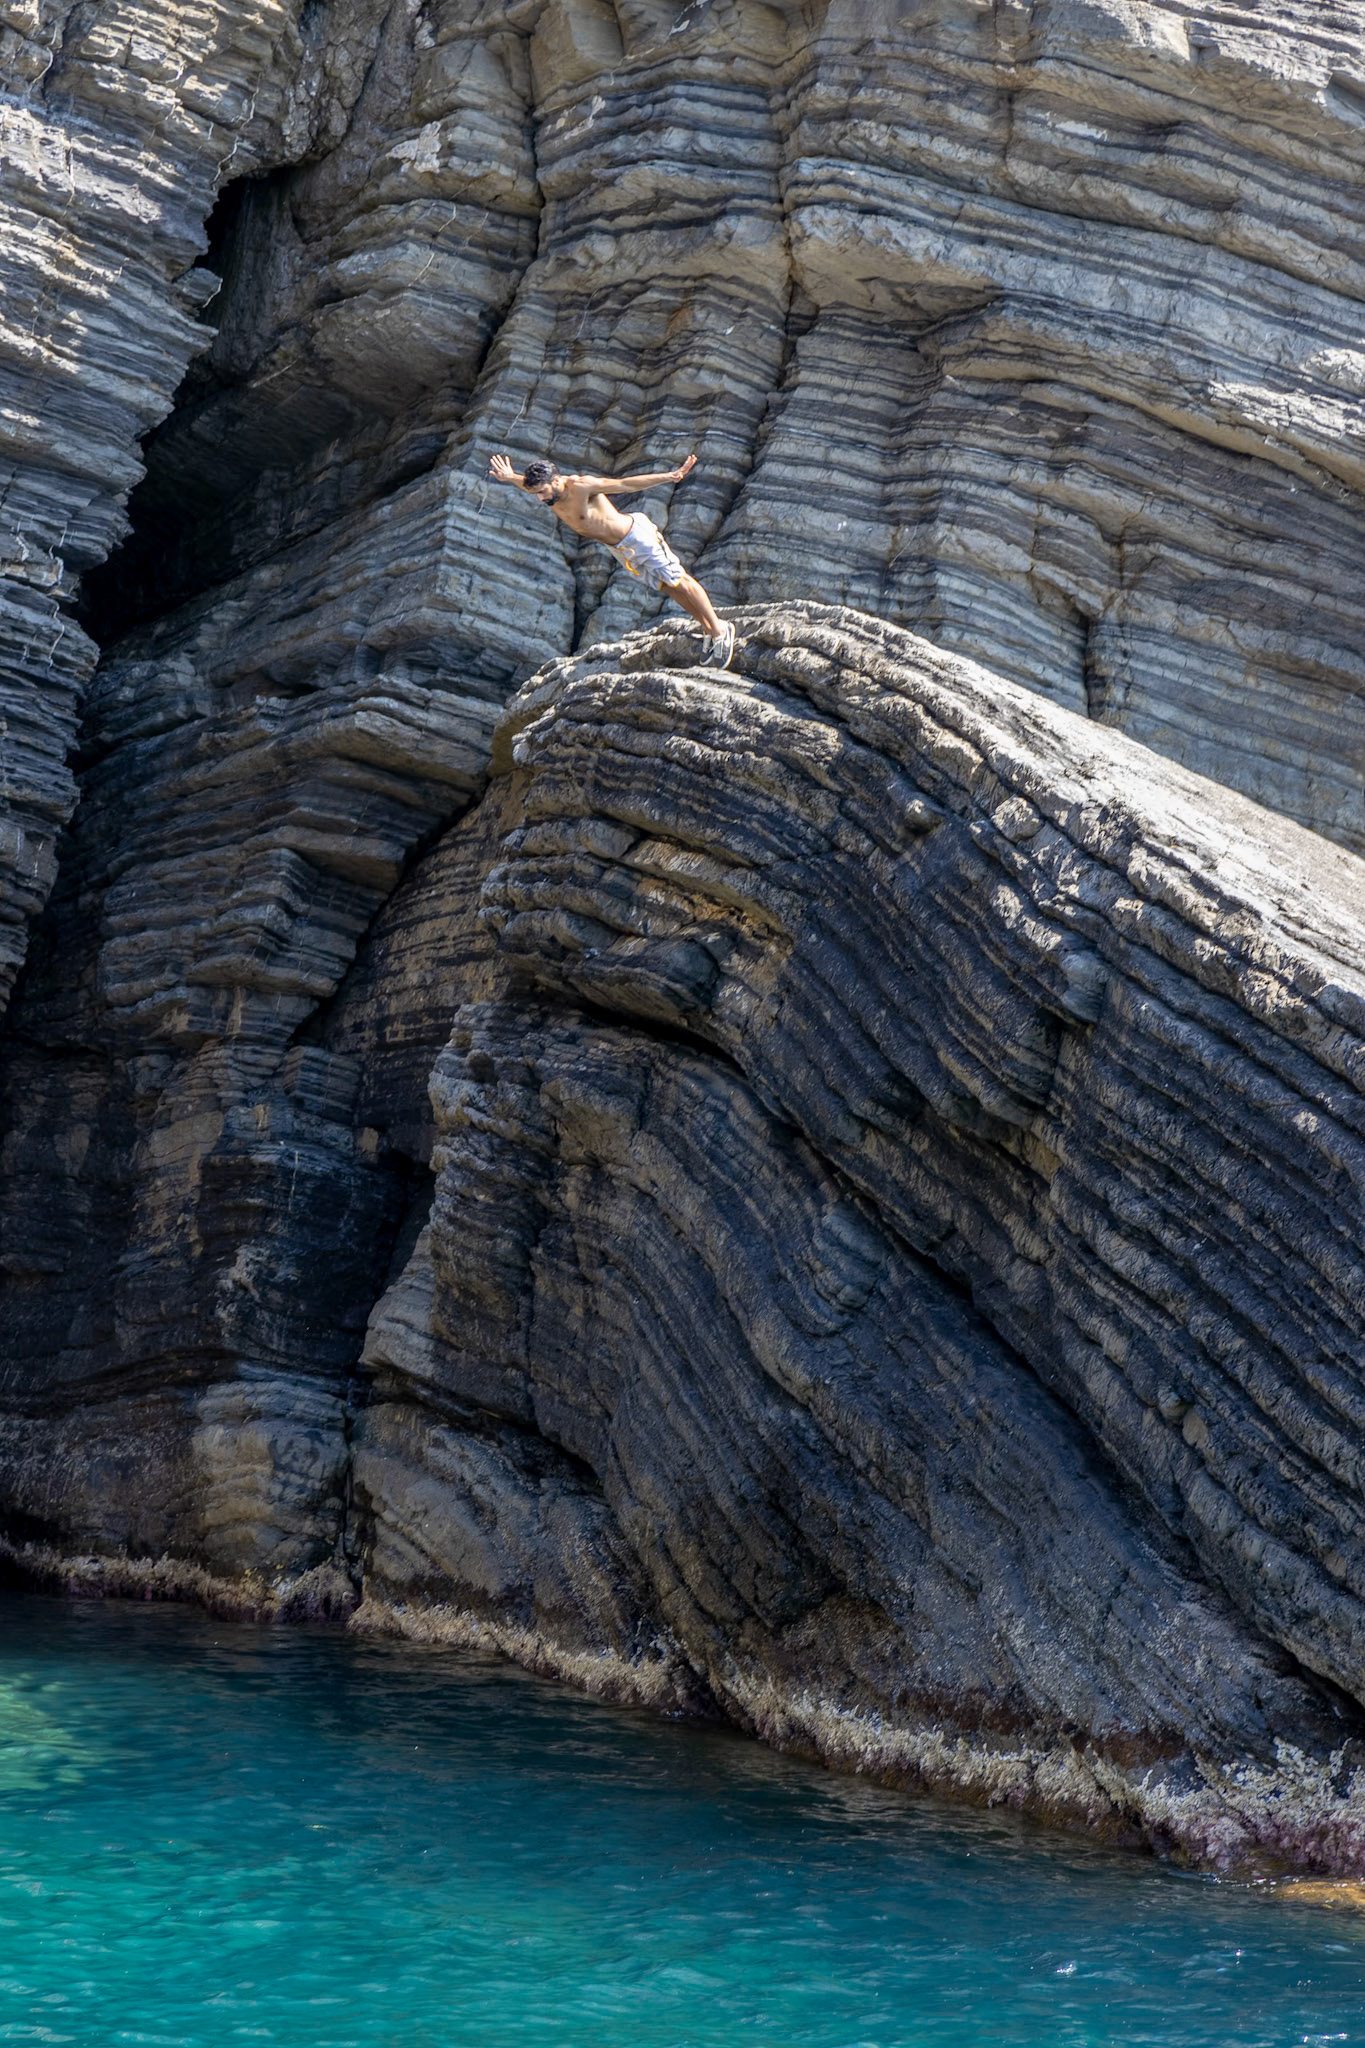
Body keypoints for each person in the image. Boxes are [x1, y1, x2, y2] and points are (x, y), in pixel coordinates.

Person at [487, 451, 736, 668]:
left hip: (637, 538)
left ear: (556, 480)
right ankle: (707, 627)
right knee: (668, 586)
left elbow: (624, 484)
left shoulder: (581, 486)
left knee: (679, 579)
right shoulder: (548, 491)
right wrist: (510, 477)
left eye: (541, 492)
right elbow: (527, 485)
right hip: (619, 548)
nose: (540, 498)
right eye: (536, 494)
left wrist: (669, 477)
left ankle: (720, 629)